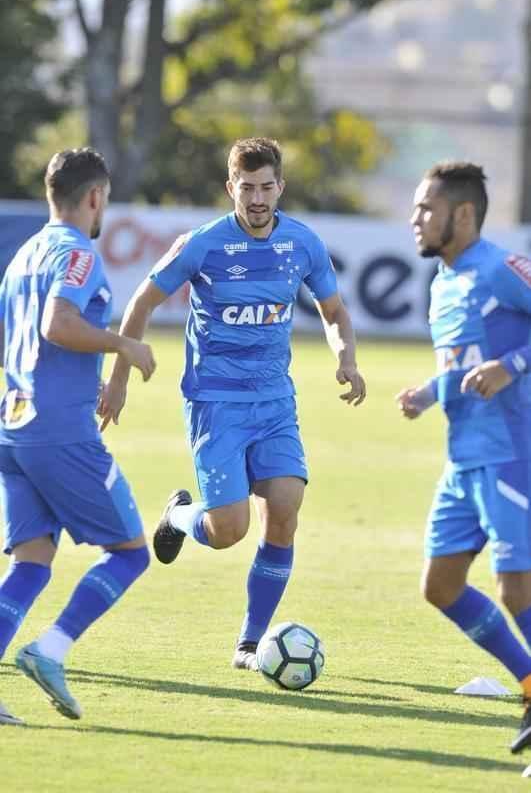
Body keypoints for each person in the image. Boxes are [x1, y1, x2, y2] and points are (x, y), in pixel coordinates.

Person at [99, 136, 366, 671]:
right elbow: (141, 303)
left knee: (284, 512)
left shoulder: (303, 244)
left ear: (280, 186)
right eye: (247, 188)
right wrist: (119, 378)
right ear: (231, 188)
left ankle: (250, 643)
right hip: (215, 403)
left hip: (274, 403)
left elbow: (334, 312)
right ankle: (179, 515)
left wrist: (347, 358)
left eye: (266, 187)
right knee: (229, 531)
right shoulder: (201, 245)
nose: (258, 198)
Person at [0, 148, 155, 726]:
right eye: (105, 200)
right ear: (94, 197)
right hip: (57, 432)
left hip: (13, 426)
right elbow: (58, 324)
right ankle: (51, 648)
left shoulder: (22, 257)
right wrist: (123, 345)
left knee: (32, 564)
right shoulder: (78, 253)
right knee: (131, 553)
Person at [397, 160, 531, 753]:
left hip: (510, 452)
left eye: (427, 208)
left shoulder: (499, 268)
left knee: (516, 589)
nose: (415, 218)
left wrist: (513, 366)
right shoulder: (442, 282)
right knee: (442, 585)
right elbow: (462, 363)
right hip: (462, 460)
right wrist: (429, 394)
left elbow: (499, 362)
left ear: (464, 213)